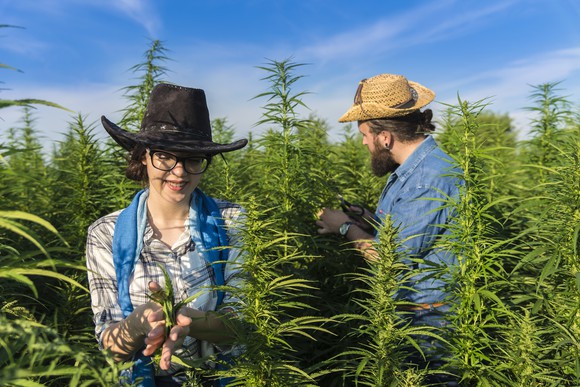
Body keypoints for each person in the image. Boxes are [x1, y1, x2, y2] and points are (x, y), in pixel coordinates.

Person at [86, 83, 248, 386]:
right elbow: (110, 350)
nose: (179, 172)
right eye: (164, 156)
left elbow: (246, 323)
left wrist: (191, 322)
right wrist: (137, 323)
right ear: (143, 157)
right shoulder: (105, 233)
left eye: (193, 159)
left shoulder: (231, 222)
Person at [316, 74, 462, 381]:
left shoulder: (427, 178)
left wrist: (343, 227)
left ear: (385, 137)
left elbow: (390, 258)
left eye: (365, 135)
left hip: (428, 320)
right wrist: (366, 218)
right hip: (415, 311)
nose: (365, 143)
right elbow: (411, 230)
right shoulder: (411, 171)